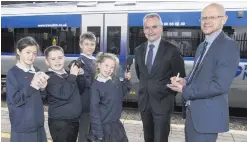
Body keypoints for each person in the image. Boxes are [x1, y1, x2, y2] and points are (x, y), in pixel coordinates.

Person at [167, 3, 240, 142]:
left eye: (212, 17)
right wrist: (185, 80)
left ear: (224, 19)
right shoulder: (202, 46)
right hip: (193, 116)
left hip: (206, 120)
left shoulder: (228, 46)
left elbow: (219, 85)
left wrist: (184, 89)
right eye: (203, 18)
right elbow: (198, 74)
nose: (206, 21)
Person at [134, 13, 186, 142]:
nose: (150, 31)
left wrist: (167, 96)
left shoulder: (172, 50)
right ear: (143, 29)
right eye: (147, 27)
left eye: (154, 26)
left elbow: (180, 77)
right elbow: (141, 75)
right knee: (148, 138)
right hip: (144, 103)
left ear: (161, 28)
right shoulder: (138, 50)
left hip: (162, 104)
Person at [6, 36, 49, 142]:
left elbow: (42, 98)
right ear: (18, 51)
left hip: (38, 126)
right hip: (23, 129)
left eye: (34, 53)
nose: (31, 56)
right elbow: (14, 100)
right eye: (28, 52)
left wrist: (43, 89)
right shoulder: (13, 73)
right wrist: (32, 86)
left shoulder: (37, 70)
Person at [89, 52, 131, 142]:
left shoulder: (115, 80)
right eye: (106, 65)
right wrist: (98, 134)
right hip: (104, 128)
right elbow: (94, 112)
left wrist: (126, 80)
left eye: (112, 67)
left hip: (116, 125)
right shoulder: (96, 86)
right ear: (99, 65)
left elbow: (121, 93)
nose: (109, 69)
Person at [44, 46, 82, 142]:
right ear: (47, 61)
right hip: (60, 122)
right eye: (53, 59)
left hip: (73, 120)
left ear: (64, 58)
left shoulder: (68, 74)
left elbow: (82, 89)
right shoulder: (48, 77)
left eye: (60, 58)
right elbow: (64, 94)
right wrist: (73, 75)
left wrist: (80, 75)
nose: (57, 61)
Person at [77, 32, 97, 142]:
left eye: (92, 44)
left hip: (93, 102)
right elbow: (87, 83)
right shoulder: (81, 62)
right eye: (86, 44)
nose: (89, 47)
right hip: (86, 103)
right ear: (81, 45)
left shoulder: (94, 60)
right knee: (85, 132)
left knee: (91, 132)